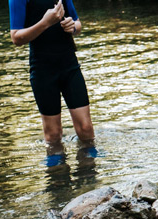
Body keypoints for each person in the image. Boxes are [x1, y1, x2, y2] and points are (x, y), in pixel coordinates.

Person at [9, 0, 97, 166]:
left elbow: (77, 23)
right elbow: (16, 37)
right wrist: (45, 23)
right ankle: (58, 181)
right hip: (43, 71)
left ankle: (89, 177)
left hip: (70, 66)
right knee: (53, 134)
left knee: (86, 128)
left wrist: (73, 27)